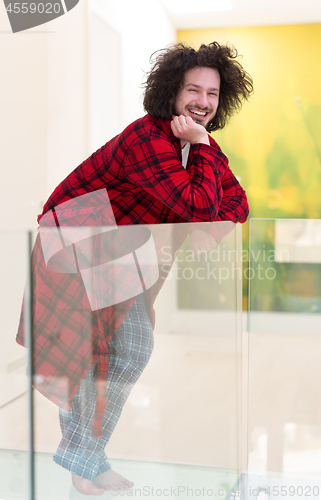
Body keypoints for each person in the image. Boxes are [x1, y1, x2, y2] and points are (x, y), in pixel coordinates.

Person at [16, 41, 253, 495]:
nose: (203, 102)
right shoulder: (149, 139)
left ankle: (83, 461)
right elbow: (195, 205)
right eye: (193, 90)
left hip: (114, 252)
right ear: (171, 92)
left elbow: (237, 203)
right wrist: (201, 156)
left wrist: (211, 226)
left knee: (122, 353)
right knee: (89, 358)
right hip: (71, 247)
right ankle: (87, 463)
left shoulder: (198, 144)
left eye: (213, 93)